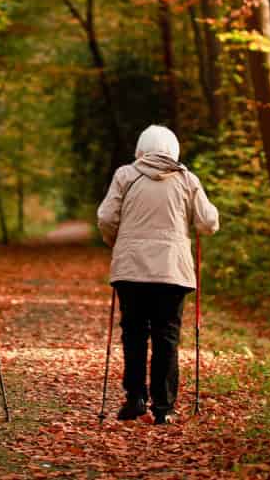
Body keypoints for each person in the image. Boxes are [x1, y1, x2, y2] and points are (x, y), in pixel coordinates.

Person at [96, 125, 219, 424]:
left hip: (131, 269)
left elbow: (105, 217)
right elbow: (208, 222)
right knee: (167, 336)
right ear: (174, 150)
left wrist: (118, 243)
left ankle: (135, 398)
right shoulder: (187, 180)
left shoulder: (126, 175)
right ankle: (163, 408)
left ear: (141, 149)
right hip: (172, 271)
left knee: (134, 333)